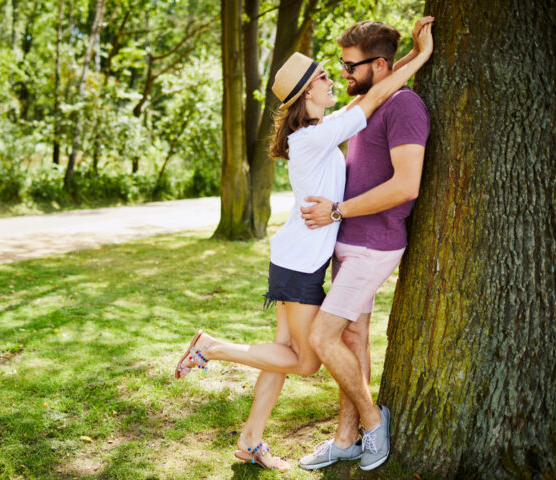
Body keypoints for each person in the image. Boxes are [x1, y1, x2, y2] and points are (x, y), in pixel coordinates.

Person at [173, 22, 434, 472]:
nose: (334, 79)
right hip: (301, 264)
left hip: (296, 258)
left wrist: (409, 56)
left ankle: (251, 440)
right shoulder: (314, 137)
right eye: (324, 77)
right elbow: (372, 95)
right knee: (306, 361)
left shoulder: (321, 128)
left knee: (281, 354)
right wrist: (424, 57)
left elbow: (378, 83)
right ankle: (210, 347)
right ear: (306, 95)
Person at [297, 17, 434, 472]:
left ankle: (374, 422)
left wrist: (336, 211)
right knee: (351, 339)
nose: (344, 74)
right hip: (348, 242)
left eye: (351, 66)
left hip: (375, 245)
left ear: (378, 64)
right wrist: (417, 54)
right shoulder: (365, 106)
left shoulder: (404, 107)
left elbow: (406, 186)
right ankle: (345, 437)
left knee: (322, 336)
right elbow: (381, 79)